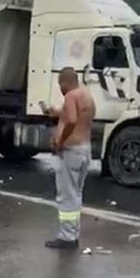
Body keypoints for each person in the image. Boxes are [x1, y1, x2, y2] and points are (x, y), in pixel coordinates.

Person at [44, 67, 96, 250]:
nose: (60, 89)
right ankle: (73, 234)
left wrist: (60, 141)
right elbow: (78, 116)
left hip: (71, 150)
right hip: (84, 149)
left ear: (65, 82)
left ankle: (66, 238)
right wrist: (57, 113)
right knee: (76, 194)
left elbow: (72, 120)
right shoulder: (86, 95)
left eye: (60, 85)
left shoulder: (71, 96)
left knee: (66, 196)